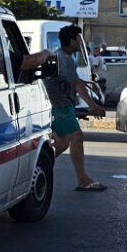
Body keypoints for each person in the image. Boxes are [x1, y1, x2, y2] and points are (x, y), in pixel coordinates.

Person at [46, 24, 106, 191]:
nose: (81, 43)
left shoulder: (63, 57)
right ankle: (82, 179)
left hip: (61, 106)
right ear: (71, 41)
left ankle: (37, 167)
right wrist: (93, 106)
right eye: (79, 40)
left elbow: (72, 81)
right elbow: (76, 84)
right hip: (59, 107)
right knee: (76, 137)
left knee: (63, 142)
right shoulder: (64, 58)